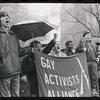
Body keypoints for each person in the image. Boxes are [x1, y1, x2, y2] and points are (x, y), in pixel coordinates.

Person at [0, 11, 33, 97]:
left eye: (8, 16)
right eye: (3, 16)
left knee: (16, 95)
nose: (7, 18)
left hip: (16, 72)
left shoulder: (14, 35)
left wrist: (30, 49)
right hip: (4, 72)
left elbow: (19, 51)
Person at [77, 31, 99, 97]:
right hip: (85, 61)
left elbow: (98, 52)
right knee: (86, 76)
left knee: (94, 76)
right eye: (86, 35)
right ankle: (87, 91)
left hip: (93, 62)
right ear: (84, 36)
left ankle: (94, 90)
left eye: (89, 35)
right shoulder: (82, 43)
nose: (88, 36)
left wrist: (98, 57)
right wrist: (82, 49)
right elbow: (77, 50)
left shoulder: (94, 44)